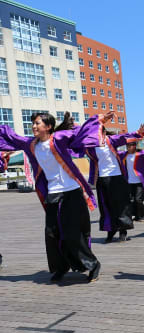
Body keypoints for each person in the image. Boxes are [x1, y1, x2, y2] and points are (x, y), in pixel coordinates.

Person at [0, 111, 111, 282]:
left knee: (72, 232)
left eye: (38, 123)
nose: (34, 126)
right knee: (52, 233)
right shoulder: (31, 144)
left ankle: (92, 264)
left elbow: (79, 133)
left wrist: (99, 119)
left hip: (71, 192)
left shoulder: (58, 138)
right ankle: (61, 267)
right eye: (34, 123)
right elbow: (10, 135)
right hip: (53, 193)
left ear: (49, 127)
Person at [85, 124, 144, 243]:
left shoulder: (110, 140)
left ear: (102, 132)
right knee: (106, 207)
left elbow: (125, 137)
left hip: (116, 177)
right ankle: (110, 230)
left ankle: (123, 231)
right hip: (102, 179)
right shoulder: (91, 146)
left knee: (121, 205)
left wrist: (138, 132)